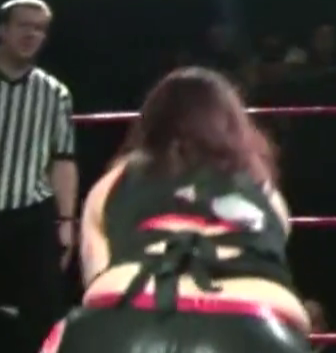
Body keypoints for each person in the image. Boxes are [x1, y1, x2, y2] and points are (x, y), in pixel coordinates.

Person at [40, 67, 311, 353]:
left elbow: (96, 278)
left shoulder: (111, 183)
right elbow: (274, 265)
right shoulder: (265, 192)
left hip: (128, 325)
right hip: (258, 330)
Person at [0, 0, 77, 353]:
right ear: (3, 30)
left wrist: (67, 220)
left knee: (41, 316)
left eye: (40, 28)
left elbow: (63, 159)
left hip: (30, 215)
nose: (32, 34)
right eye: (24, 26)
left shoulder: (55, 93)